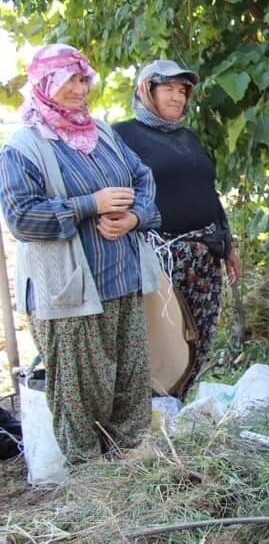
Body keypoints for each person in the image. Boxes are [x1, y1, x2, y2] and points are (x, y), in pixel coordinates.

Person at [0, 44, 161, 462]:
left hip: (121, 279)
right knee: (80, 393)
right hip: (69, 293)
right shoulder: (24, 147)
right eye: (68, 80)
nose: (79, 88)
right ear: (45, 84)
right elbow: (22, 218)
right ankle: (91, 484)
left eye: (83, 79)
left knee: (128, 383)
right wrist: (91, 204)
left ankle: (131, 469)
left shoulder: (101, 133)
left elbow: (142, 180)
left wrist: (134, 219)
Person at [113, 59, 239, 397]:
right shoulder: (122, 135)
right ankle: (151, 408)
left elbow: (207, 192)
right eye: (168, 89)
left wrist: (228, 244)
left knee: (200, 334)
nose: (177, 97)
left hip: (205, 254)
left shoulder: (187, 137)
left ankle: (179, 403)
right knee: (165, 338)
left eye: (182, 91)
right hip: (161, 256)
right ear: (145, 91)